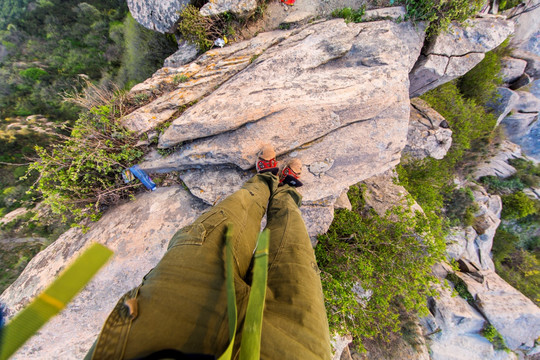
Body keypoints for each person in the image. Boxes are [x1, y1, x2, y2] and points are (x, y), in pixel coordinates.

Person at [85, 144, 331, 359]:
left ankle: (265, 180)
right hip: (291, 348)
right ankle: (285, 191)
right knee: (293, 240)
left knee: (237, 210)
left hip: (168, 319)